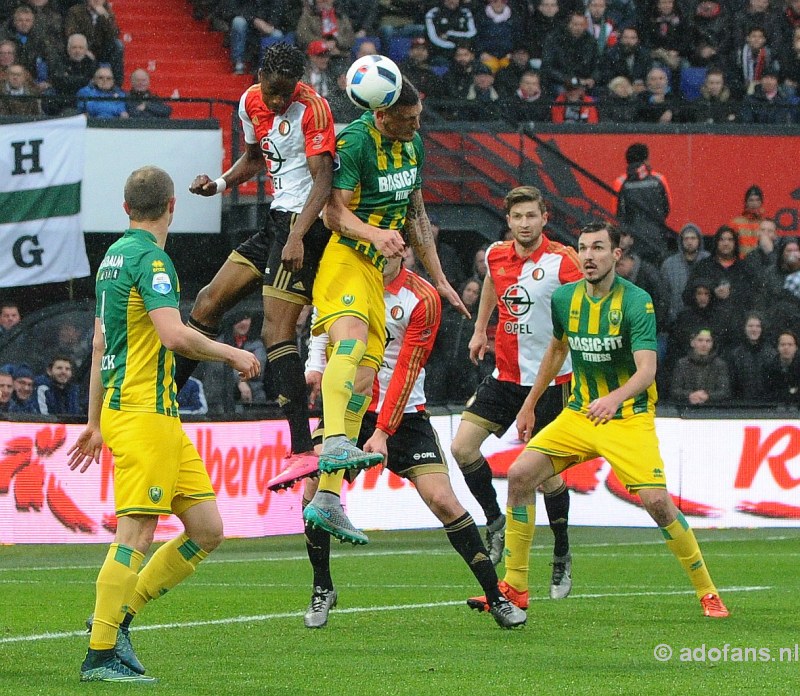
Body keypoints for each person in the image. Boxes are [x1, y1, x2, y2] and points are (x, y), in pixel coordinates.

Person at [469, 220, 729, 619]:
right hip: (579, 414)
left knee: (658, 503)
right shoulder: (565, 299)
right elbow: (555, 351)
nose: (589, 256)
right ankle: (516, 587)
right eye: (583, 248)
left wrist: (614, 399)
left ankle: (707, 592)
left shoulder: (636, 301)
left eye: (598, 249)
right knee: (521, 476)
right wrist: (530, 404)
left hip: (627, 417)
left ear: (616, 256)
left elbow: (646, 370)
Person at [67, 165, 260, 683]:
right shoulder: (152, 261)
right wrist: (232, 355)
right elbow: (175, 336)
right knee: (137, 531)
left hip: (150, 416)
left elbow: (100, 343)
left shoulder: (112, 259)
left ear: (126, 207)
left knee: (206, 529)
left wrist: (93, 419)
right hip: (144, 413)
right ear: (173, 205)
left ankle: (119, 619)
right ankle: (100, 653)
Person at [299, 255, 526, 629]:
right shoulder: (346, 279)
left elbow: (407, 368)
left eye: (390, 244)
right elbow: (321, 329)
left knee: (443, 500)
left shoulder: (422, 297)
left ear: (403, 248)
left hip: (404, 414)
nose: (381, 252)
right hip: (351, 409)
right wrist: (315, 368)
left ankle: (495, 596)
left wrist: (383, 432)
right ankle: (322, 587)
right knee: (313, 492)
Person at [298, 77, 468, 545]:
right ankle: (334, 441)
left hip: (374, 272)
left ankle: (329, 500)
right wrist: (374, 235)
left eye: (418, 117)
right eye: (408, 118)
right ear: (382, 112)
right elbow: (333, 214)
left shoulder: (412, 147)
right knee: (349, 346)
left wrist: (440, 279)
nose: (417, 124)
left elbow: (415, 216)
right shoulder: (354, 142)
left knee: (365, 376)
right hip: (346, 260)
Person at [183, 43, 336, 482]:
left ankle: (303, 448)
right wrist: (218, 183)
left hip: (304, 226)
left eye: (284, 92)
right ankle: (167, 402)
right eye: (272, 91)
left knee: (275, 330)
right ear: (261, 77)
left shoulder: (314, 109)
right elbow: (253, 159)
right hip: (275, 221)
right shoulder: (250, 100)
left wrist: (298, 235)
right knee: (208, 301)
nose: (276, 101)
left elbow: (323, 179)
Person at [450, 186, 581, 598]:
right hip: (506, 375)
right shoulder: (495, 255)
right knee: (462, 448)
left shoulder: (564, 263)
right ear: (508, 221)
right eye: (517, 217)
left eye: (531, 216)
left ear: (545, 217)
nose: (524, 223)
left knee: (544, 479)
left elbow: (583, 308)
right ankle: (495, 521)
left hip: (550, 383)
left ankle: (561, 551)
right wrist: (479, 329)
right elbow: (491, 284)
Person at [613, 142, 672, 266]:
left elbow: (617, 213)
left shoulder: (620, 182)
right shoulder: (659, 179)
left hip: (632, 241)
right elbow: (667, 208)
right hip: (657, 237)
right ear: (646, 160)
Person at [660, 222, 709, 327]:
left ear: (699, 240)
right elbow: (664, 294)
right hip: (677, 321)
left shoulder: (708, 261)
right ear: (681, 241)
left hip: (705, 319)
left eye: (693, 238)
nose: (689, 242)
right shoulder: (669, 264)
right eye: (686, 239)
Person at [64, 0, 124, 84]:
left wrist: (104, 16)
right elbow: (71, 33)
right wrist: (85, 49)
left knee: (118, 45)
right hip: (81, 47)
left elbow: (113, 35)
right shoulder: (75, 11)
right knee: (75, 47)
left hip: (100, 50)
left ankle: (116, 84)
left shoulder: (107, 13)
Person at [668, 328, 731, 405]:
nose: (704, 344)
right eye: (700, 340)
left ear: (712, 344)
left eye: (708, 341)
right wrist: (690, 395)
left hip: (713, 408)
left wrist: (707, 396)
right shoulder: (682, 364)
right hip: (686, 407)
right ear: (692, 342)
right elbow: (675, 390)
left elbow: (724, 391)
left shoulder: (720, 365)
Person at [726, 311, 775, 401]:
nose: (754, 329)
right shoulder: (735, 355)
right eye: (750, 326)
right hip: (742, 406)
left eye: (757, 326)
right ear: (744, 328)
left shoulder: (771, 354)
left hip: (767, 405)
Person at [49, 33, 96, 113]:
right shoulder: (60, 62)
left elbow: (93, 83)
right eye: (74, 47)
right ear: (68, 49)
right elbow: (60, 82)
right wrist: (83, 80)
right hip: (64, 101)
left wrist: (70, 80)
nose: (77, 51)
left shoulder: (91, 63)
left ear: (86, 50)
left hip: (86, 102)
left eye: (81, 48)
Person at [424, 0, 478, 66]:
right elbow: (433, 38)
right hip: (442, 52)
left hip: (463, 49)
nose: (452, 1)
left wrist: (449, 34)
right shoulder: (433, 13)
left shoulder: (466, 12)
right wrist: (454, 47)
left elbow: (472, 33)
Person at [762, 330, 800, 404]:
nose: (786, 347)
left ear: (796, 348)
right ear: (777, 347)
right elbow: (767, 393)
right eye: (783, 344)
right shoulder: (768, 368)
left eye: (790, 344)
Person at [728, 184, 765, 257]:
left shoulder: (765, 223)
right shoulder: (735, 223)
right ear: (746, 203)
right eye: (751, 200)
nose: (754, 203)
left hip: (761, 264)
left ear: (761, 202)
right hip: (741, 263)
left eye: (757, 200)